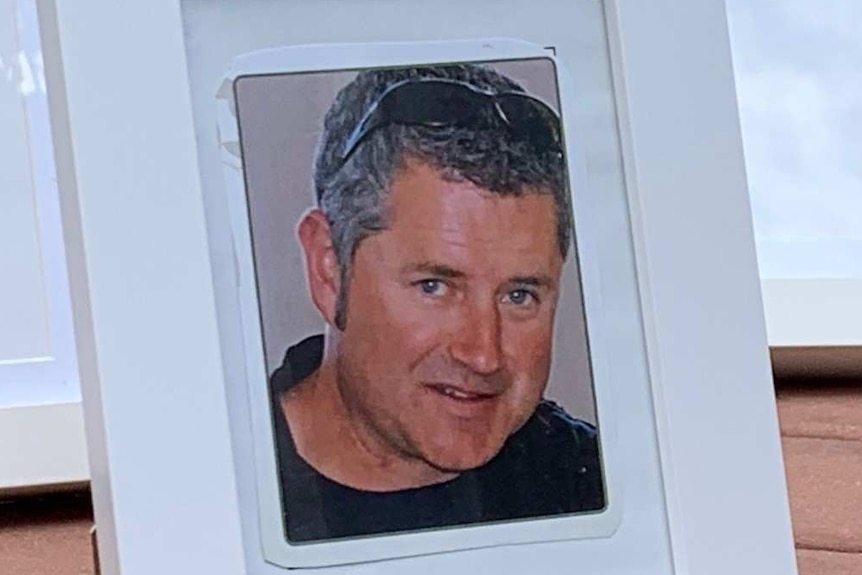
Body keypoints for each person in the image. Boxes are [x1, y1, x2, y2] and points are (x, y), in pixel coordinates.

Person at [268, 63, 604, 542]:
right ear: (329, 268)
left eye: (519, 295)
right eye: (434, 287)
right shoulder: (209, 494)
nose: (483, 354)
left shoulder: (600, 488)